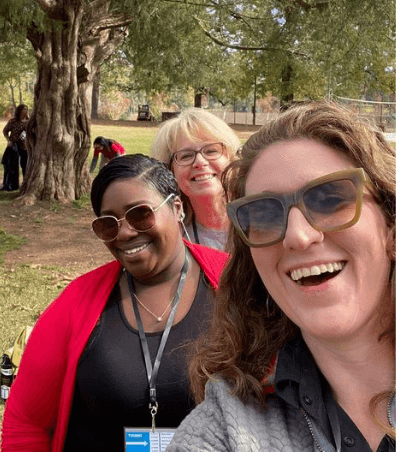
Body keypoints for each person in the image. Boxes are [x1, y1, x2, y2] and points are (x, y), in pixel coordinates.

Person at [167, 101, 395, 452]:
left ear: (390, 225)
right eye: (264, 213)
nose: (299, 237)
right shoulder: (225, 429)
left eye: (331, 198)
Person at [1, 154, 228, 452]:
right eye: (108, 224)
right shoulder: (76, 303)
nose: (125, 232)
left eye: (140, 214)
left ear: (176, 209)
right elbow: (26, 422)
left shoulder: (236, 286)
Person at [150, 108, 240, 250]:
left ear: (231, 159)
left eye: (211, 151)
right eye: (185, 156)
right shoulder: (172, 242)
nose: (199, 162)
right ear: (170, 171)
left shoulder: (261, 223)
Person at [1, 104, 29, 191]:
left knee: (25, 166)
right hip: (14, 146)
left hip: (25, 147)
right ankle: (11, 185)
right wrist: (9, 140)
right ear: (19, 111)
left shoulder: (29, 122)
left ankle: (26, 184)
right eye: (24, 109)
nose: (26, 111)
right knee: (12, 166)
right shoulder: (13, 121)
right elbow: (5, 131)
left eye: (27, 109)